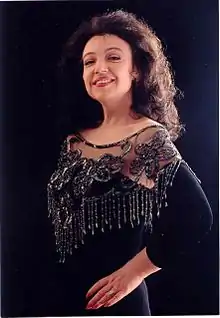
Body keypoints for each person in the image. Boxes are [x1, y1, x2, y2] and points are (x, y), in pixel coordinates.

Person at [47, 9, 213, 316]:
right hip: (64, 300)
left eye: (113, 57)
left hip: (117, 304)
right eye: (89, 61)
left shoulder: (146, 137)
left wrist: (133, 273)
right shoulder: (74, 138)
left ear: (136, 69)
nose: (99, 68)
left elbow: (196, 216)